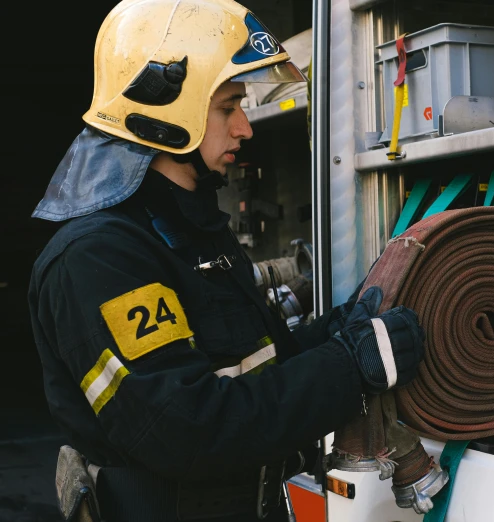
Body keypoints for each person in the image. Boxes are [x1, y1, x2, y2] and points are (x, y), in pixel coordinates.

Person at [27, 1, 425, 521]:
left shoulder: (189, 234)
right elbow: (189, 427)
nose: (245, 128)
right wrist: (348, 366)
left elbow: (255, 375)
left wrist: (335, 333)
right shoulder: (98, 259)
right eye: (228, 107)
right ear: (167, 110)